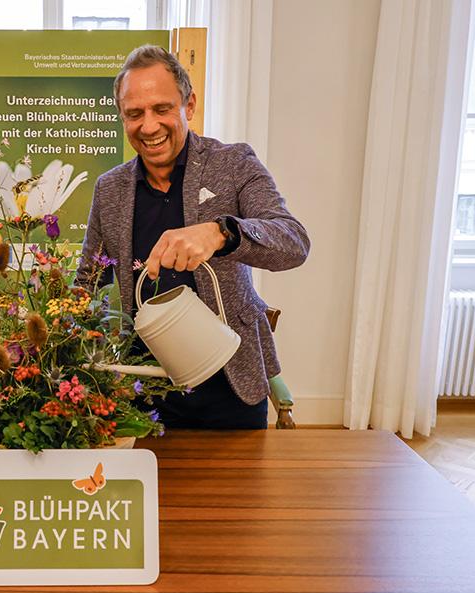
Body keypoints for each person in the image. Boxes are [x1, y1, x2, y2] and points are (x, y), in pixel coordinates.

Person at [79, 45, 310, 429]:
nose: (148, 126)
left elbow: (294, 243)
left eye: (162, 108)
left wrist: (222, 233)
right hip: (141, 390)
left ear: (189, 105)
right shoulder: (110, 188)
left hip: (230, 383)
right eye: (134, 114)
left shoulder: (234, 164)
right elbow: (87, 283)